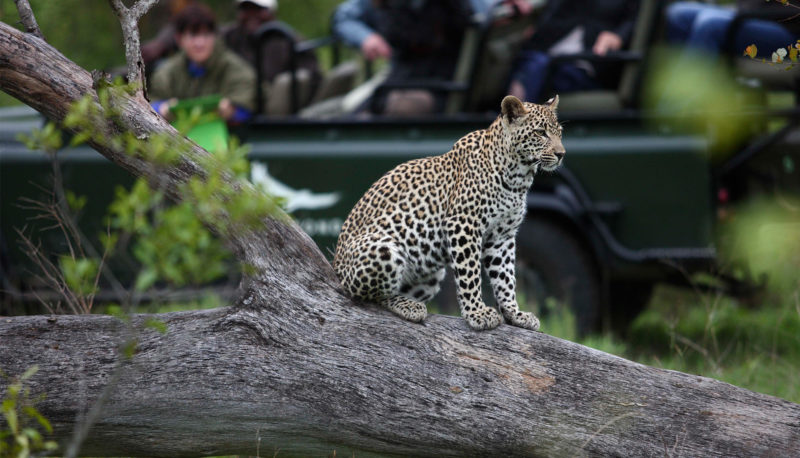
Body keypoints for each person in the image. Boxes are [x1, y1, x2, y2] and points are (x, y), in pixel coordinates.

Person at [332, 0, 490, 115]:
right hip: (409, 79)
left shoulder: (442, 10)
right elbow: (344, 17)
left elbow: (411, 38)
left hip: (435, 85)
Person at [508, 0, 639, 103]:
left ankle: (514, 123)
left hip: (586, 62)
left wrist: (619, 36)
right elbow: (546, 12)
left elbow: (634, 19)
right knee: (534, 64)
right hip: (547, 49)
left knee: (543, 71)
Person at [149, 4, 257, 124]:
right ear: (179, 39)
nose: (200, 43)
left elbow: (248, 108)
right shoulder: (167, 71)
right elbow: (151, 104)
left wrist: (232, 111)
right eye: (193, 35)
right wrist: (162, 108)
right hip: (176, 136)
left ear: (215, 36)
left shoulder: (236, 68)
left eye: (206, 35)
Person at [221, 0, 320, 100]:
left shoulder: (290, 41)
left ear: (273, 11)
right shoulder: (227, 37)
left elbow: (314, 81)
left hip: (278, 108)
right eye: (246, 9)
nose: (252, 15)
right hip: (237, 102)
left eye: (259, 9)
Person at [665, 1, 797, 59]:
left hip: (790, 29)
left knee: (710, 24)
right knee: (678, 13)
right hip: (750, 14)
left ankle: (676, 110)